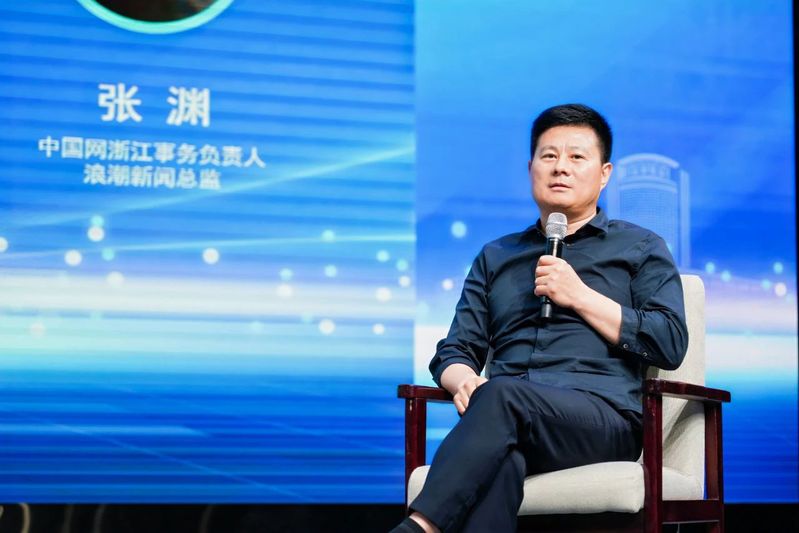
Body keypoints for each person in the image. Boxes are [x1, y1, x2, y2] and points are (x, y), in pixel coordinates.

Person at [390, 104, 688, 533]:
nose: (560, 167)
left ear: (604, 173)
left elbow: (670, 340)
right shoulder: (497, 256)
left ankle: (419, 526)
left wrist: (580, 296)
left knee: (501, 396)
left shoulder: (640, 247)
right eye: (549, 156)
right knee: (501, 460)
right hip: (506, 418)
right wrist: (464, 380)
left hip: (602, 420)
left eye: (576, 157)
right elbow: (455, 349)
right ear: (531, 168)